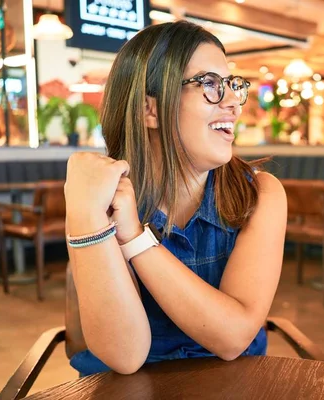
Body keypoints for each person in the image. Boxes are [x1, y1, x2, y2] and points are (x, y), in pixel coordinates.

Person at [63, 20, 287, 376]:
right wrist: (86, 213)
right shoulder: (100, 198)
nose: (233, 102)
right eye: (210, 84)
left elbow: (234, 338)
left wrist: (135, 238)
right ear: (149, 109)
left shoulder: (260, 195)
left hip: (232, 385)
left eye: (231, 85)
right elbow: (124, 355)